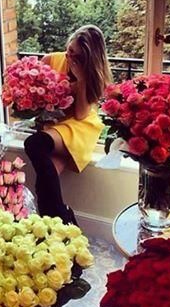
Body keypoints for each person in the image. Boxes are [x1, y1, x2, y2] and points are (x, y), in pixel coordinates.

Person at [24, 25, 112, 225]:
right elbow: (33, 95)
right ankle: (62, 225)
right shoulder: (51, 60)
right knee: (46, 181)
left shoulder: (90, 74)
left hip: (79, 127)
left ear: (88, 59)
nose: (69, 55)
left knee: (34, 144)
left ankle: (61, 221)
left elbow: (81, 114)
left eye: (76, 55)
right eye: (69, 49)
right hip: (55, 125)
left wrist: (81, 79)